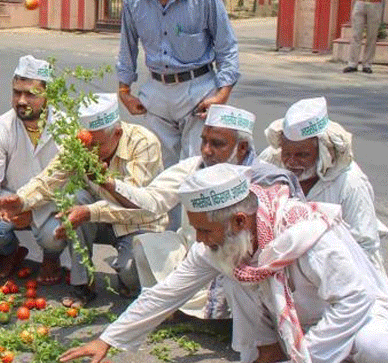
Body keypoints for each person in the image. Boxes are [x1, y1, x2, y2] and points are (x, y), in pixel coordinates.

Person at [61, 164, 388, 363]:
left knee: (377, 347)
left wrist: (311, 354)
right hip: (298, 328)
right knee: (236, 276)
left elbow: (354, 301)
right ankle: (269, 353)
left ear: (241, 221)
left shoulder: (307, 232)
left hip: (351, 320)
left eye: (204, 230)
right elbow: (166, 293)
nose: (200, 239)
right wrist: (108, 338)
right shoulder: (222, 243)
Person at [100, 105, 300, 318]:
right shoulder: (194, 167)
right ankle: (170, 311)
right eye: (204, 140)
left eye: (217, 144)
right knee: (143, 250)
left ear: (242, 148)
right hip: (195, 252)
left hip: (242, 260)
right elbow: (154, 200)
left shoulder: (265, 179)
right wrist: (111, 185)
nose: (206, 150)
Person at [0, 92, 167, 306]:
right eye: (87, 146)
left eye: (98, 146)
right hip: (97, 219)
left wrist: (104, 189)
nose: (90, 153)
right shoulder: (81, 144)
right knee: (75, 198)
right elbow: (50, 178)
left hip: (139, 222)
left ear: (117, 133)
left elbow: (139, 204)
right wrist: (21, 200)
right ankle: (83, 285)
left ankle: (128, 276)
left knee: (132, 274)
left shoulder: (144, 143)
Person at [116, 0, 240, 178]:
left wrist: (222, 93)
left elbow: (227, 49)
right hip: (157, 94)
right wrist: (124, 91)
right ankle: (167, 222)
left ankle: (197, 220)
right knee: (159, 174)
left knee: (196, 170)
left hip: (198, 92)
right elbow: (127, 47)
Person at [0, 56, 63, 285]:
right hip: (8, 201)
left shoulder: (66, 129)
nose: (21, 100)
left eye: (31, 94)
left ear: (49, 95)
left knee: (55, 235)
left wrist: (31, 210)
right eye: (17, 93)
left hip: (51, 203)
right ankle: (12, 251)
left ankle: (51, 257)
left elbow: (67, 185)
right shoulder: (0, 128)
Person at [260, 97, 385, 272]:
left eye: (302, 155)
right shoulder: (271, 161)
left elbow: (365, 246)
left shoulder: (350, 183)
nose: (291, 161)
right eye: (287, 153)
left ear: (323, 152)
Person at [343, 0, 387, 74]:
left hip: (375, 4)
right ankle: (352, 63)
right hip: (360, 3)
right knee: (356, 34)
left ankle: (367, 64)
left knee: (372, 36)